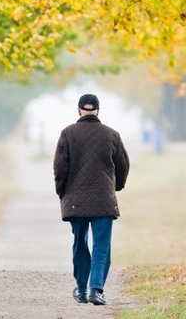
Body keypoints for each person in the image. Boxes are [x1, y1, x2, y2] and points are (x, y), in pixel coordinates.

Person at [53, 93, 130, 306]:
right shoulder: (112, 135)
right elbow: (123, 166)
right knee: (102, 246)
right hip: (104, 200)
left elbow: (60, 168)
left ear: (79, 111)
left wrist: (63, 193)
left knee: (80, 243)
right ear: (97, 111)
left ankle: (80, 288)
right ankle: (96, 290)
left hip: (75, 200)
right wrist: (115, 187)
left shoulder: (67, 134)